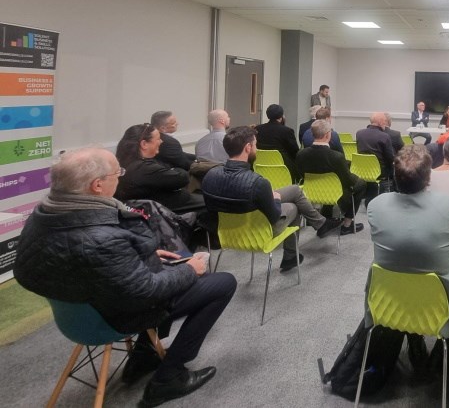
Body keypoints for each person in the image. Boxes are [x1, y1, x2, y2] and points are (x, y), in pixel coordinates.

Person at [13, 148, 237, 407]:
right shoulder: (101, 237)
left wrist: (140, 257)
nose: (120, 177)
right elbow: (146, 291)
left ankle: (143, 356)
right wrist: (190, 270)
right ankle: (169, 378)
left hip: (77, 315)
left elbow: (28, 273)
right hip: (113, 315)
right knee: (222, 283)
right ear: (97, 185)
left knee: (168, 267)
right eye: (116, 173)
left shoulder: (43, 216)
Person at [366, 145, 449, 339]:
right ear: (428, 178)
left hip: (387, 300)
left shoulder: (375, 205)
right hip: (438, 304)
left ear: (395, 176)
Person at [200, 126, 341, 271]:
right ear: (248, 147)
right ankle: (291, 254)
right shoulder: (258, 182)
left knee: (295, 190)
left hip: (224, 232)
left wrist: (269, 195)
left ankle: (319, 224)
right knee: (294, 207)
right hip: (255, 232)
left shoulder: (210, 175)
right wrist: (276, 199)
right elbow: (274, 216)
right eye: (255, 145)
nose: (257, 148)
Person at [115, 123, 205, 213]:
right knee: (216, 204)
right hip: (172, 210)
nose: (161, 141)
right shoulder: (144, 169)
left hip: (157, 209)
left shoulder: (122, 162)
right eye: (158, 139)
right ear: (144, 144)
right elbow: (182, 178)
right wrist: (175, 170)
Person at [297, 120, 366, 235]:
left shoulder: (301, 154)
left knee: (331, 182)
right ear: (328, 135)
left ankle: (325, 217)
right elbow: (348, 181)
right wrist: (357, 177)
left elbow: (300, 174)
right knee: (361, 184)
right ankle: (347, 224)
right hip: (333, 193)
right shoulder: (336, 157)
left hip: (311, 192)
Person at [255, 104, 300, 181]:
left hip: (261, 167)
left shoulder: (258, 129)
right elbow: (295, 151)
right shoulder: (287, 131)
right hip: (284, 169)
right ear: (281, 116)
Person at [356, 112, 395, 180]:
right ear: (380, 122)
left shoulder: (359, 133)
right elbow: (390, 159)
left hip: (361, 170)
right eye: (385, 120)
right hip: (379, 173)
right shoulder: (384, 136)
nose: (385, 123)